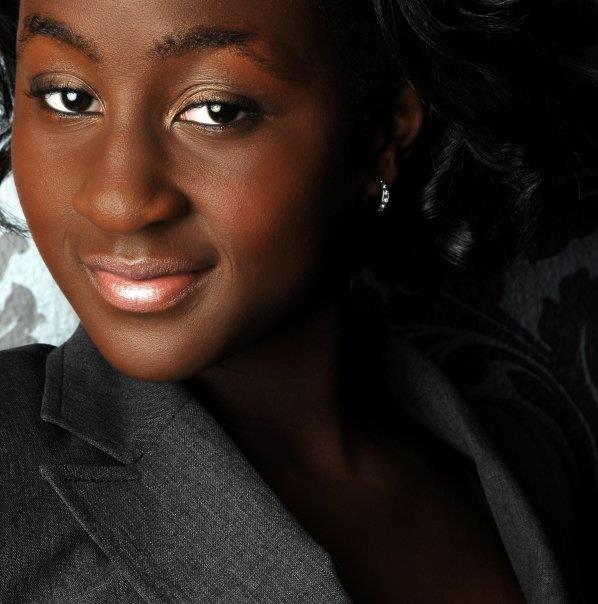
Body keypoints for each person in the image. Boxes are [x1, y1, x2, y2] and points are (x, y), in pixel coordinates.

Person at [0, 0, 595, 602]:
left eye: (216, 109)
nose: (118, 202)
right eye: (68, 98)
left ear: (382, 131)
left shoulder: (527, 471)